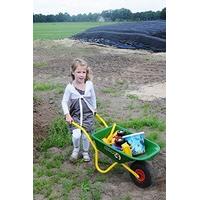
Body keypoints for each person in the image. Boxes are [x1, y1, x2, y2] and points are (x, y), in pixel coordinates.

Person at [62, 58, 96, 162]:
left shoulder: (89, 85)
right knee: (76, 135)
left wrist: (94, 108)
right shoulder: (70, 87)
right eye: (78, 72)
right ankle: (76, 149)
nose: (81, 75)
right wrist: (67, 114)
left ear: (86, 73)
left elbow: (93, 97)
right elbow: (64, 101)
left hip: (87, 115)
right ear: (73, 72)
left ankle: (85, 152)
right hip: (75, 115)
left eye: (83, 72)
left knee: (86, 136)